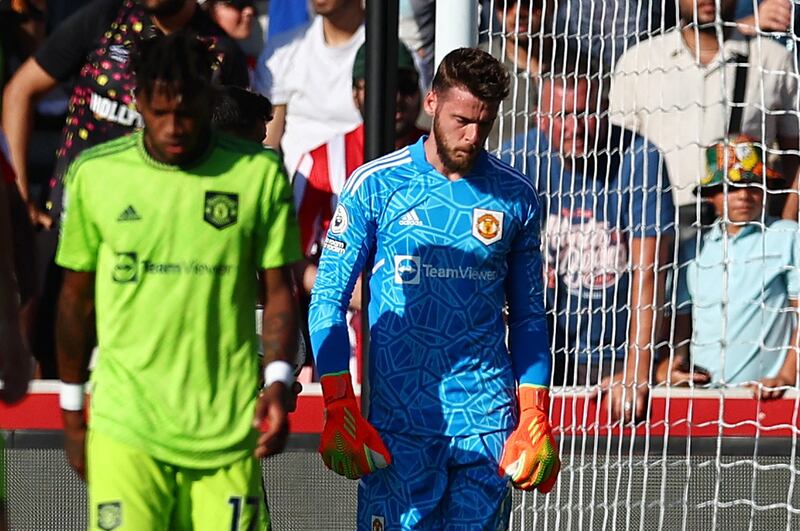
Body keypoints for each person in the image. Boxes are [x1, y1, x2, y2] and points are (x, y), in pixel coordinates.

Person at [54, 31, 300, 530]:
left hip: (227, 431)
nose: (172, 126)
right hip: (127, 426)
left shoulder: (257, 174)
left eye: (186, 111)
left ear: (207, 100)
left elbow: (278, 291)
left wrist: (275, 379)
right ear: (137, 100)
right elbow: (74, 302)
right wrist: (72, 409)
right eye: (159, 110)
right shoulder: (95, 175)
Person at [308, 47, 560, 529]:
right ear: (431, 102)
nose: (471, 136)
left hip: (486, 426)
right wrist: (338, 401)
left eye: (483, 125)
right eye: (460, 119)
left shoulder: (515, 195)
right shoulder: (375, 186)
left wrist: (534, 413)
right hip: (399, 426)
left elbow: (529, 318)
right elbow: (328, 300)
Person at [2, 0, 249, 378]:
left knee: (148, 366)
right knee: (51, 359)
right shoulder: (105, 19)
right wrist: (19, 195)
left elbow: (228, 153)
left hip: (160, 244)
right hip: (72, 226)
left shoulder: (218, 51)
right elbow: (20, 91)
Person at [506, 47, 675, 421]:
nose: (575, 127)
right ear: (539, 117)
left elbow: (650, 273)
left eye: (585, 113)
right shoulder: (516, 160)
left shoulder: (639, 157)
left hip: (613, 355)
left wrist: (637, 369)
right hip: (536, 352)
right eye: (563, 115)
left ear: (605, 108)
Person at [609, 0, 799, 228]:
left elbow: (794, 153)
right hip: (661, 229)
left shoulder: (773, 60)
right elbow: (617, 158)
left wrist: (787, 225)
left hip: (745, 231)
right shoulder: (639, 62)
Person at [657, 136, 799, 398]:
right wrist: (669, 368)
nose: (745, 195)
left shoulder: (787, 236)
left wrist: (787, 375)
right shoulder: (692, 250)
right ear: (711, 194)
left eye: (754, 185)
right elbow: (681, 327)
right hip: (704, 398)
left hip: (769, 397)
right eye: (732, 186)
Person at [255, 0, 365, 175]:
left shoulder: (391, 51)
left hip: (367, 190)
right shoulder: (281, 51)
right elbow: (267, 142)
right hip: (302, 193)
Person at [483, 0, 553, 153]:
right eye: (505, 3)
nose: (518, 12)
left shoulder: (581, 66)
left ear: (552, 6)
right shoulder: (477, 66)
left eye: (531, 3)